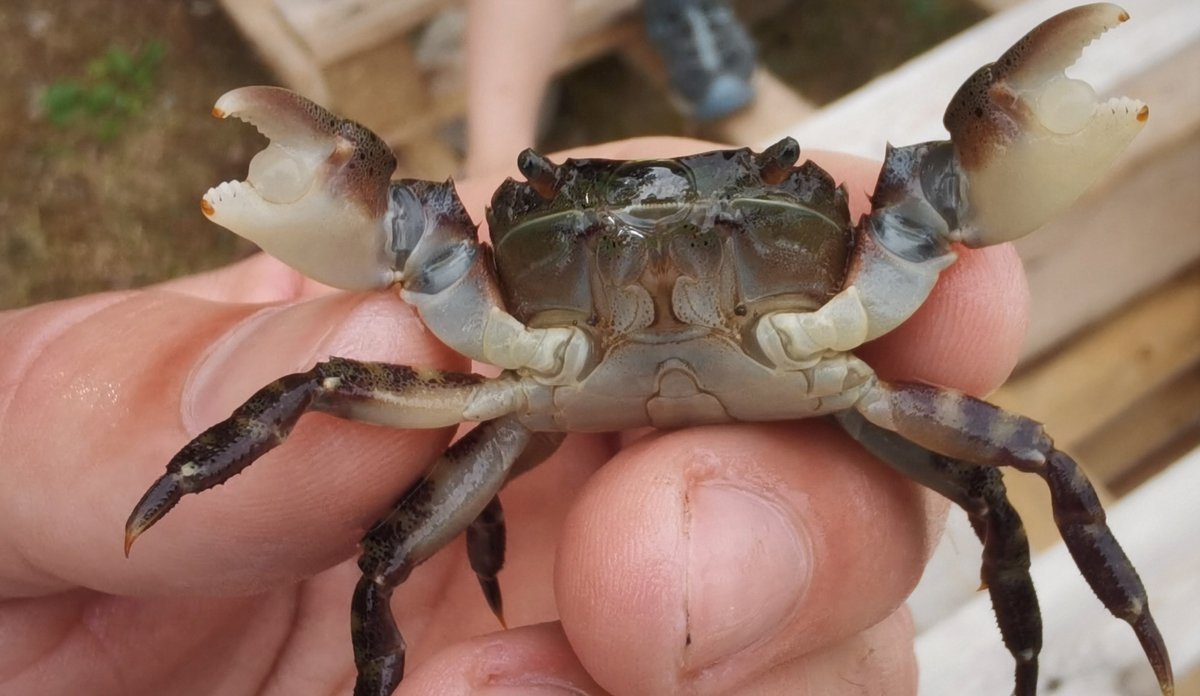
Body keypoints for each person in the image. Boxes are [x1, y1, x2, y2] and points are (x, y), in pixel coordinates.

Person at [0, 137, 1028, 695]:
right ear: (502, 233)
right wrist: (178, 468)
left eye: (738, 209)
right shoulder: (474, 320)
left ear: (835, 227)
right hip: (528, 396)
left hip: (643, 395)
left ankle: (1027, 666)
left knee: (1008, 476)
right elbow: (307, 378)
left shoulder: (877, 279)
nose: (654, 251)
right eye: (594, 229)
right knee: (364, 513)